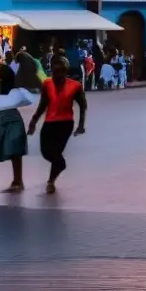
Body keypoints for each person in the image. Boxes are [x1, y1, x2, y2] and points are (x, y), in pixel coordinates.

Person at [27, 57, 87, 194]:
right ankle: (60, 165)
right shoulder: (47, 84)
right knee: (45, 151)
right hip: (49, 123)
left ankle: (51, 181)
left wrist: (81, 125)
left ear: (65, 72)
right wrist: (34, 121)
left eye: (60, 73)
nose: (57, 76)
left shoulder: (75, 85)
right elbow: (43, 104)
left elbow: (83, 106)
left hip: (65, 124)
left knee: (56, 152)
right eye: (54, 73)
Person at [0, 62, 34, 192]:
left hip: (4, 122)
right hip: (14, 121)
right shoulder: (13, 90)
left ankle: (17, 181)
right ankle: (18, 180)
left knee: (13, 153)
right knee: (15, 153)